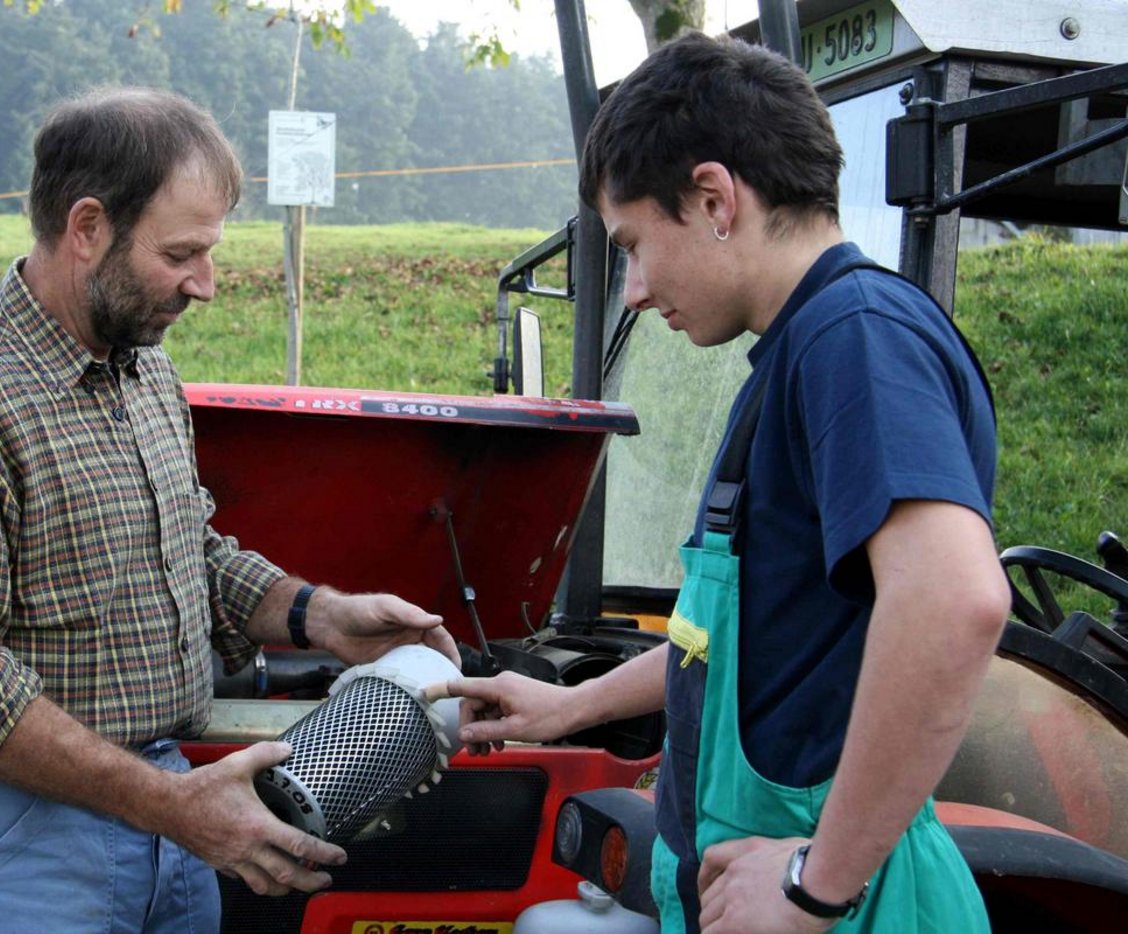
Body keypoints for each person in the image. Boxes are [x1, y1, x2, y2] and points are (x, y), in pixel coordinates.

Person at [425, 32, 1009, 934]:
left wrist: (815, 884)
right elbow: (733, 641)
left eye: (633, 245)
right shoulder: (797, 354)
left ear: (714, 199)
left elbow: (955, 601)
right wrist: (571, 706)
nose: (632, 290)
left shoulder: (855, 337)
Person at [0, 87, 459, 933]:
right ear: (87, 227)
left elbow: (188, 554)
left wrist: (321, 616)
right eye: (181, 253)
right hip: (16, 842)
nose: (205, 284)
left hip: (172, 815)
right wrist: (171, 805)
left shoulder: (142, 370)